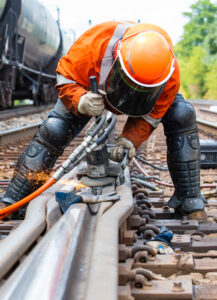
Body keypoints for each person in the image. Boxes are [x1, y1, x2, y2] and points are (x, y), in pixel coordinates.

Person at [0, 21, 207, 220]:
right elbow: (65, 77)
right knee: (54, 129)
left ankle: (190, 200)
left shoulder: (168, 74)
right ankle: (15, 198)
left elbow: (154, 113)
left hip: (137, 98)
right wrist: (79, 100)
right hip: (91, 93)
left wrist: (130, 139)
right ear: (117, 58)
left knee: (182, 114)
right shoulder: (94, 44)